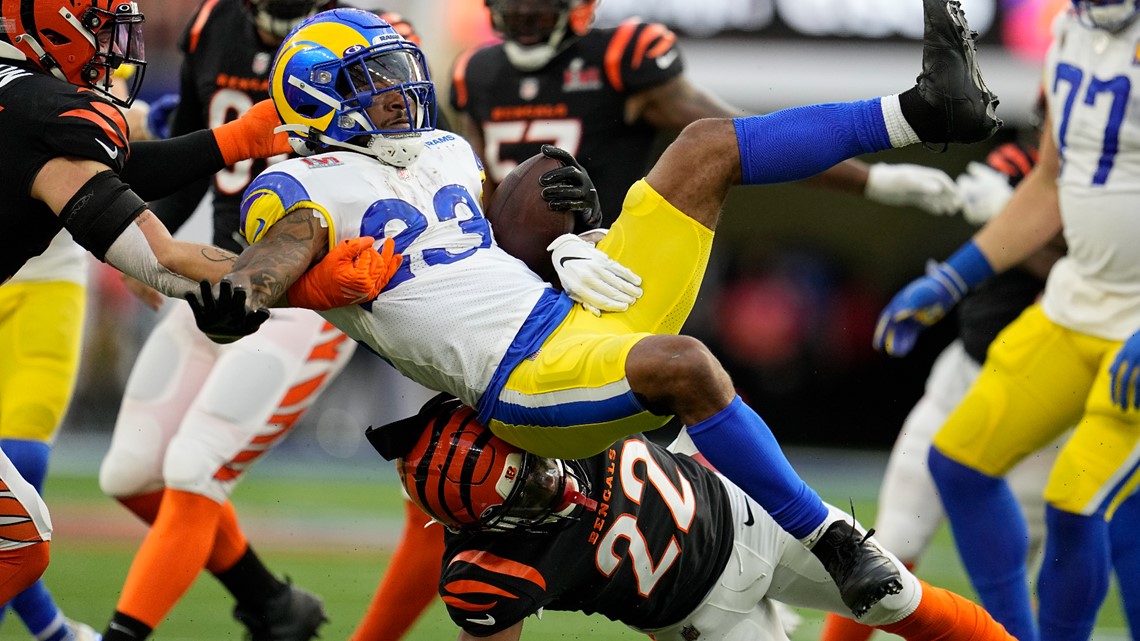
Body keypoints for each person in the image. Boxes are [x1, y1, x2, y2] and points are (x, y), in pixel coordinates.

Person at [189, 0, 1001, 623]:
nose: (401, 89)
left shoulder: (441, 148)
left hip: (571, 304)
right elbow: (277, 253)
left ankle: (922, 111)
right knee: (683, 366)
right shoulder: (303, 189)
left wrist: (579, 231)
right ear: (318, 98)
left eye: (399, 69)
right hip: (528, 378)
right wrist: (245, 293)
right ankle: (830, 535)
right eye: (373, 79)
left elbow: (491, 245)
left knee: (703, 147)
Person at [0, 0, 370, 618]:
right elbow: (162, 257)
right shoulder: (47, 115)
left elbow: (99, 173)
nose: (112, 50)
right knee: (18, 542)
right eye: (98, 30)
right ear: (53, 27)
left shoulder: (26, 110)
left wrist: (230, 140)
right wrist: (310, 284)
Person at [94, 3, 419, 641]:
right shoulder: (211, 22)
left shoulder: (373, 35)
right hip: (221, 274)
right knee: (129, 473)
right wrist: (149, 239)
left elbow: (411, 156)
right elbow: (191, 146)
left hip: (309, 297)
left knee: (194, 467)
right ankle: (272, 603)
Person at [871, 2, 1140, 640]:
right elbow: (1048, 184)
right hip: (1077, 306)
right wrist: (953, 277)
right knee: (959, 462)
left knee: (1077, 503)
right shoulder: (1072, 31)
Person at [368, 394, 1016, 641]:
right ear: (486, 525)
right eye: (527, 497)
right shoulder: (487, 572)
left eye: (533, 465)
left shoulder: (538, 401)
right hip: (706, 619)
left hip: (749, 508)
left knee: (911, 604)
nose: (552, 483)